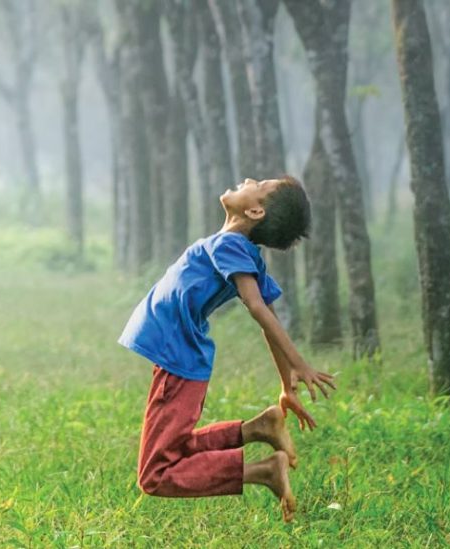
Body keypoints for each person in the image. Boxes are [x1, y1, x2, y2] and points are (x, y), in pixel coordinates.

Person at [119, 176, 336, 522]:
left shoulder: (232, 245)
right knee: (174, 449)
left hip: (178, 360)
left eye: (260, 184)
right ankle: (258, 429)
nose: (249, 179)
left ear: (254, 210)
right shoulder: (235, 247)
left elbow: (258, 307)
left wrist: (298, 364)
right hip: (178, 357)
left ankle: (264, 472)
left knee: (155, 474)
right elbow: (268, 312)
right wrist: (285, 385)